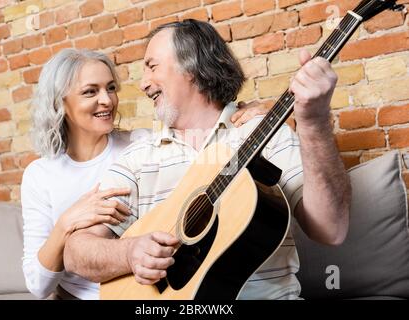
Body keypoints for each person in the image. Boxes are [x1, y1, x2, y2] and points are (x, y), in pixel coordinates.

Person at [63, 20, 351, 299]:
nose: (142, 84)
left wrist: (314, 123)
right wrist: (128, 253)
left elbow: (331, 230)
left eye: (151, 66)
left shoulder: (265, 133)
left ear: (192, 66)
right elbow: (76, 253)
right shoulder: (137, 158)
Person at [21, 48, 263, 300]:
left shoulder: (143, 145)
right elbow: (38, 286)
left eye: (111, 88)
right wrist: (66, 223)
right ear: (59, 103)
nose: (107, 100)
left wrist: (243, 115)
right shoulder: (40, 175)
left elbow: (207, 141)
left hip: (144, 293)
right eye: (90, 91)